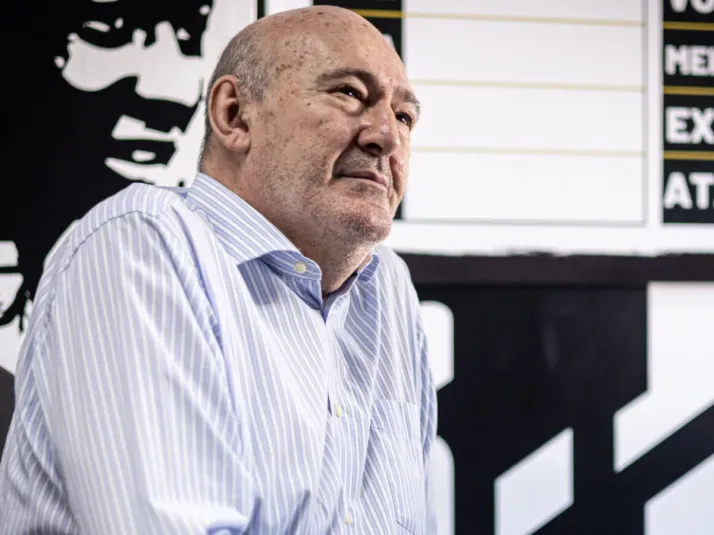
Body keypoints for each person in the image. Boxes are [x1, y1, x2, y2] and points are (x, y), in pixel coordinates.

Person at [0, 5, 437, 534]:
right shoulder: (143, 246)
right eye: (349, 93)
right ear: (234, 115)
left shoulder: (386, 287)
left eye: (405, 117)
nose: (386, 137)